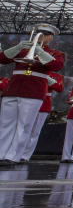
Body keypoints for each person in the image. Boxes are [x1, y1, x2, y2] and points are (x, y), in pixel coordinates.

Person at [0, 23, 65, 165]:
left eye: (46, 34)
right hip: (13, 89)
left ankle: (13, 156)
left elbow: (56, 66)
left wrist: (39, 51)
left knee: (24, 125)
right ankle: (1, 153)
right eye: (39, 32)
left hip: (33, 92)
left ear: (51, 38)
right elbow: (2, 59)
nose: (42, 35)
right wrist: (18, 47)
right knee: (6, 124)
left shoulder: (56, 54)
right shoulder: (22, 50)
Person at [21, 72, 63, 162]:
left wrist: (47, 78)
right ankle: (16, 152)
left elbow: (59, 88)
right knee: (23, 128)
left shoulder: (57, 76)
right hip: (30, 98)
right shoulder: (35, 68)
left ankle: (25, 156)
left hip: (44, 103)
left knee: (35, 131)